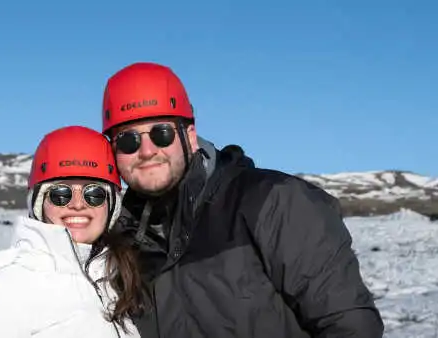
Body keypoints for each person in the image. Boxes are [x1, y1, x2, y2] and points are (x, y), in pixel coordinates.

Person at [99, 62, 384, 337]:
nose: (146, 150)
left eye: (162, 133)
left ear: (190, 135)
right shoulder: (118, 242)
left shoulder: (274, 202)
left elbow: (350, 327)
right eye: (128, 140)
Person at [0, 126, 141, 338]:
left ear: (111, 206)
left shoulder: (118, 282)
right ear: (39, 203)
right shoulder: (0, 295)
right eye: (60, 194)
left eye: (94, 193)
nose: (77, 204)